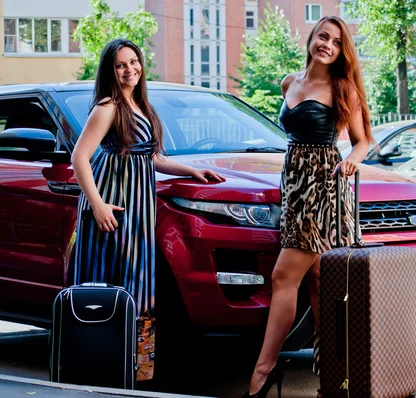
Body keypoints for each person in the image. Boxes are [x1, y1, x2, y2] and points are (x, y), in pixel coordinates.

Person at [71, 38, 225, 382]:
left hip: (139, 210)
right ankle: (104, 365)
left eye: (134, 62)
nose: (130, 69)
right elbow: (79, 157)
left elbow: (152, 158)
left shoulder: (141, 106)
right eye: (121, 65)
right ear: (110, 71)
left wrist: (192, 171)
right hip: (114, 206)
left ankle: (137, 369)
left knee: (140, 285)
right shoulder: (108, 106)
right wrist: (96, 205)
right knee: (111, 284)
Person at [242, 16, 376, 398]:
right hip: (295, 187)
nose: (327, 45)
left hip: (324, 186)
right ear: (312, 39)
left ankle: (262, 373)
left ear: (340, 51)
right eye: (323, 37)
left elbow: (363, 140)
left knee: (284, 277)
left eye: (335, 42)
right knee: (320, 284)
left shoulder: (341, 87)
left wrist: (352, 160)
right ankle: (335, 381)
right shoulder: (290, 82)